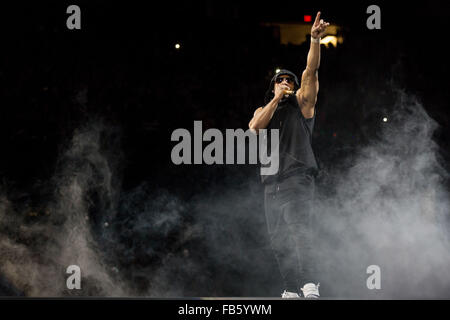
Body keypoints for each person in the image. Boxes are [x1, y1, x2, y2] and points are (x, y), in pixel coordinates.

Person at [248, 12, 329, 298]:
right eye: (279, 80)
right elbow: (255, 127)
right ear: (272, 87)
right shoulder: (264, 110)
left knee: (300, 233)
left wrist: (314, 40)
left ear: (294, 87)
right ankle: (291, 288)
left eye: (288, 81)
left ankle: (309, 283)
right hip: (272, 184)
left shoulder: (302, 104)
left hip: (297, 179)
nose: (285, 82)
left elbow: (310, 72)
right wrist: (275, 98)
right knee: (278, 240)